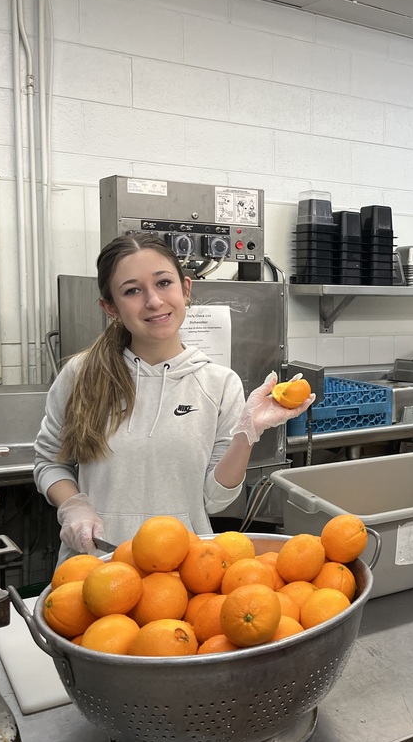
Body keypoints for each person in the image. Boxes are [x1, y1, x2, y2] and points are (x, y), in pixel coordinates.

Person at [34, 233, 313, 562]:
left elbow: (214, 501)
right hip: (97, 564)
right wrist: (74, 507)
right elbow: (50, 462)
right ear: (110, 307)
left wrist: (247, 432)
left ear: (186, 289)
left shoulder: (219, 383)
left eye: (163, 283)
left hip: (183, 571)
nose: (153, 301)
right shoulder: (82, 374)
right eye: (132, 291)